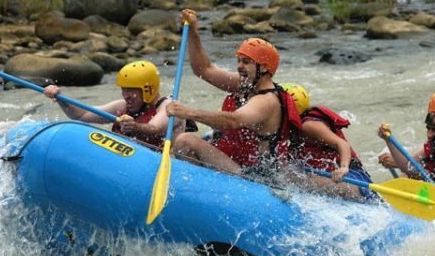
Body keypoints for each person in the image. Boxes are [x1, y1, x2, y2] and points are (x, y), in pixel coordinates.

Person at [165, 9, 302, 175]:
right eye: (238, 61)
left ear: (264, 67)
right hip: (234, 163)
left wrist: (187, 112)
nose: (239, 66)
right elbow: (203, 69)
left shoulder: (266, 101)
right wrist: (193, 32)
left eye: (246, 62)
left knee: (185, 141)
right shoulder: (245, 84)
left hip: (254, 176)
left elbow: (233, 121)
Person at [44, 60, 185, 147]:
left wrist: (135, 127)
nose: (125, 95)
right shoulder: (121, 107)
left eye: (130, 90)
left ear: (148, 89)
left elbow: (155, 128)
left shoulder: (169, 106)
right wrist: (61, 99)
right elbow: (82, 115)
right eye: (124, 89)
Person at [281, 83, 376, 202]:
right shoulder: (289, 129)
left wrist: (343, 168)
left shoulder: (308, 125)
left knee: (290, 178)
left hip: (353, 180)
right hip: (329, 176)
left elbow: (341, 144)